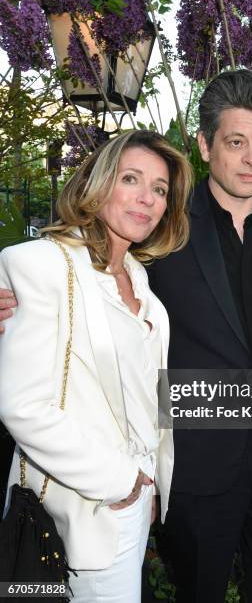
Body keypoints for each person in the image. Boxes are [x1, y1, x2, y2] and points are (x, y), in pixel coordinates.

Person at [0, 69, 252, 603]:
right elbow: (78, 272)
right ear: (205, 145)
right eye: (236, 142)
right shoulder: (162, 226)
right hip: (199, 472)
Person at [0, 129, 192, 603]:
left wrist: (148, 487)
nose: (147, 198)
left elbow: (145, 397)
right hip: (80, 510)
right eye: (131, 179)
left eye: (160, 189)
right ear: (99, 185)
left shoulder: (140, 279)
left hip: (132, 505)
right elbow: (23, 407)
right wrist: (120, 481)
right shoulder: (42, 264)